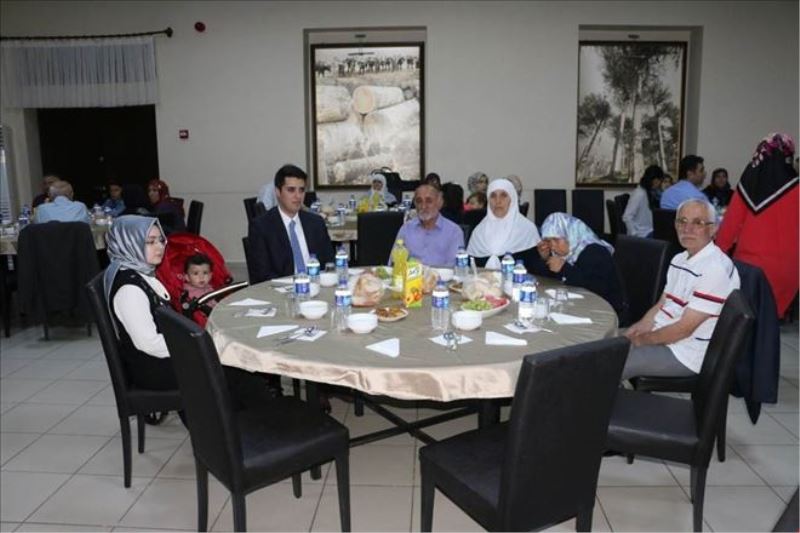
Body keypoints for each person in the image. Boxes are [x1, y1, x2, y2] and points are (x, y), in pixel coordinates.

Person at [623, 198, 741, 380]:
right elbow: (662, 303)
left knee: (611, 362)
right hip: (667, 337)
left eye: (698, 223)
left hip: (687, 353)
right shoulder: (679, 259)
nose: (687, 229)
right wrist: (639, 328)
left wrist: (641, 340)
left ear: (713, 229)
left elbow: (683, 330)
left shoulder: (714, 268)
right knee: (601, 346)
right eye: (682, 221)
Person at [716, 132, 798, 317]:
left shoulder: (748, 185)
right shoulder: (797, 188)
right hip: (789, 271)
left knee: (747, 322)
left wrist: (716, 257)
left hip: (749, 269)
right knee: (770, 318)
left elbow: (728, 229)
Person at [104, 216, 176, 390]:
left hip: (163, 359)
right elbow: (149, 344)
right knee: (232, 372)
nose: (160, 247)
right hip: (155, 370)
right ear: (128, 243)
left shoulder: (141, 272)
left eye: (161, 240)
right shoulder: (130, 290)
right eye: (150, 242)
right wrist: (198, 347)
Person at [248, 164, 335, 282]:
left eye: (301, 190)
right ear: (278, 192)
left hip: (317, 285)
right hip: (281, 289)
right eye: (291, 190)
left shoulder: (316, 223)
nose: (298, 196)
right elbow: (261, 275)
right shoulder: (261, 227)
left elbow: (330, 264)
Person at [534, 212, 624, 317]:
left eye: (556, 240)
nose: (553, 246)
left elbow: (594, 288)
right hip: (583, 307)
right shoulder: (567, 252)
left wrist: (564, 268)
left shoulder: (594, 251)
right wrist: (545, 258)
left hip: (607, 312)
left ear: (570, 234)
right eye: (549, 241)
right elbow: (552, 279)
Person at [467, 178, 540, 269]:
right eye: (493, 196)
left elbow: (537, 270)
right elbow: (469, 268)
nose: (498, 201)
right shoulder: (479, 232)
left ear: (512, 199)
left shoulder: (527, 229)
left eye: (503, 195)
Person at [393, 182, 464, 267]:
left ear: (439, 203)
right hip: (411, 275)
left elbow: (455, 268)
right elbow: (394, 263)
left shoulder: (454, 232)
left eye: (429, 201)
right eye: (419, 201)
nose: (423, 206)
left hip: (441, 275)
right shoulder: (406, 229)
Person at [622, 164, 663, 237]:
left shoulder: (649, 192)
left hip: (648, 230)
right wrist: (634, 234)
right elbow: (627, 216)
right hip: (642, 234)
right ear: (655, 180)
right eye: (660, 181)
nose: (659, 184)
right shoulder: (639, 193)